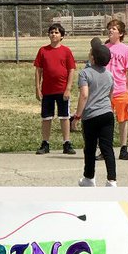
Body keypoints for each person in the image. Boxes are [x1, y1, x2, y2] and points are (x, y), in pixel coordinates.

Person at [72, 38, 116, 187]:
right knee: (107, 148)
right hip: (107, 114)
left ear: (92, 57)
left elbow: (84, 95)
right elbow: (111, 95)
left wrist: (77, 116)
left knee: (90, 148)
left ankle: (89, 178)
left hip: (91, 116)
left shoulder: (85, 73)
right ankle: (112, 180)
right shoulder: (109, 75)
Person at [33, 23, 77, 157]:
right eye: (51, 32)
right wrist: (37, 88)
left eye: (57, 33)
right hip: (47, 90)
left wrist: (68, 88)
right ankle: (45, 143)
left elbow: (71, 70)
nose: (54, 34)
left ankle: (66, 143)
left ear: (62, 36)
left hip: (62, 90)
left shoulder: (66, 51)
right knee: (46, 117)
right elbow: (38, 71)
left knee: (64, 116)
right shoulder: (43, 51)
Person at [105, 18, 128, 161]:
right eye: (110, 28)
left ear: (121, 33)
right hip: (105, 92)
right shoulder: (104, 48)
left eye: (114, 29)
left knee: (123, 120)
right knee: (106, 121)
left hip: (120, 90)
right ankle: (105, 149)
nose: (111, 30)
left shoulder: (125, 49)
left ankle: (123, 148)